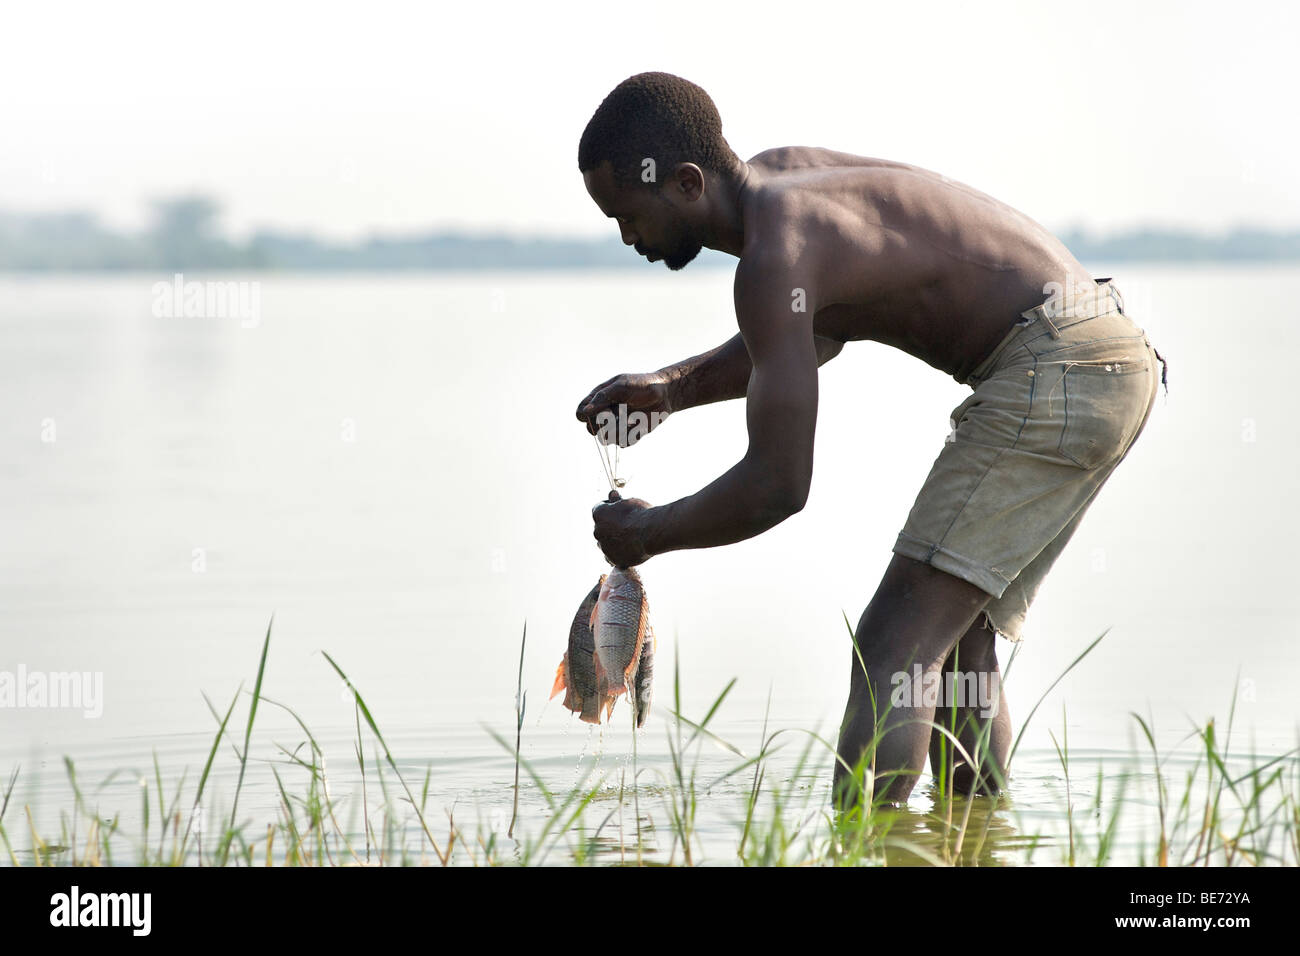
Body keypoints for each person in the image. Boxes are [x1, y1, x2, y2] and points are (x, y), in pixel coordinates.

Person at [574, 72, 1168, 807]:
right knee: (958, 650)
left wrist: (647, 534)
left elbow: (779, 486)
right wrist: (672, 389)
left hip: (1058, 368)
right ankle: (973, 842)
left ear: (688, 183)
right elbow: (816, 330)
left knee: (893, 652)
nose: (628, 237)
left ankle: (866, 848)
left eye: (629, 215)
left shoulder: (773, 257)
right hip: (1100, 354)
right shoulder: (787, 185)